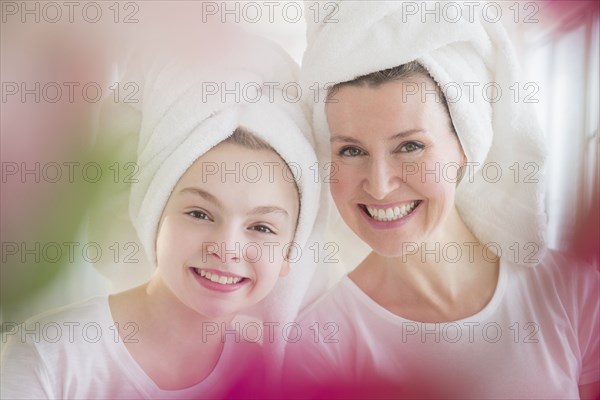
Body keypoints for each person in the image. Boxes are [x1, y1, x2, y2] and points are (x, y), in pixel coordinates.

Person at [284, 2, 599, 399]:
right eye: (350, 151)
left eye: (410, 146)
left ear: (468, 143)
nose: (379, 186)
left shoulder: (573, 294)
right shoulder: (317, 344)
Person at [0, 36, 320, 399]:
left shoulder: (282, 380)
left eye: (262, 227)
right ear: (153, 215)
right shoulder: (52, 355)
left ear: (290, 251)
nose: (227, 249)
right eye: (199, 213)